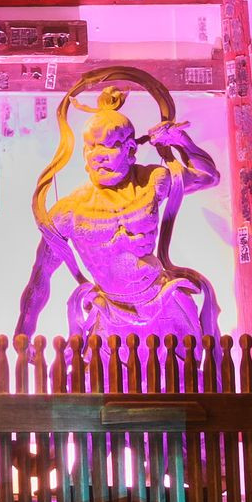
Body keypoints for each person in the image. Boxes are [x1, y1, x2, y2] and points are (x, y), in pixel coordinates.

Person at [12, 72, 223, 343]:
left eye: (109, 146)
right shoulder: (69, 212)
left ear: (130, 150)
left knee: (185, 369)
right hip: (110, 315)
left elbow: (208, 177)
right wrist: (23, 334)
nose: (99, 156)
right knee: (105, 370)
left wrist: (180, 140)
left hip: (163, 304)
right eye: (91, 147)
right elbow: (40, 280)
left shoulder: (151, 182)